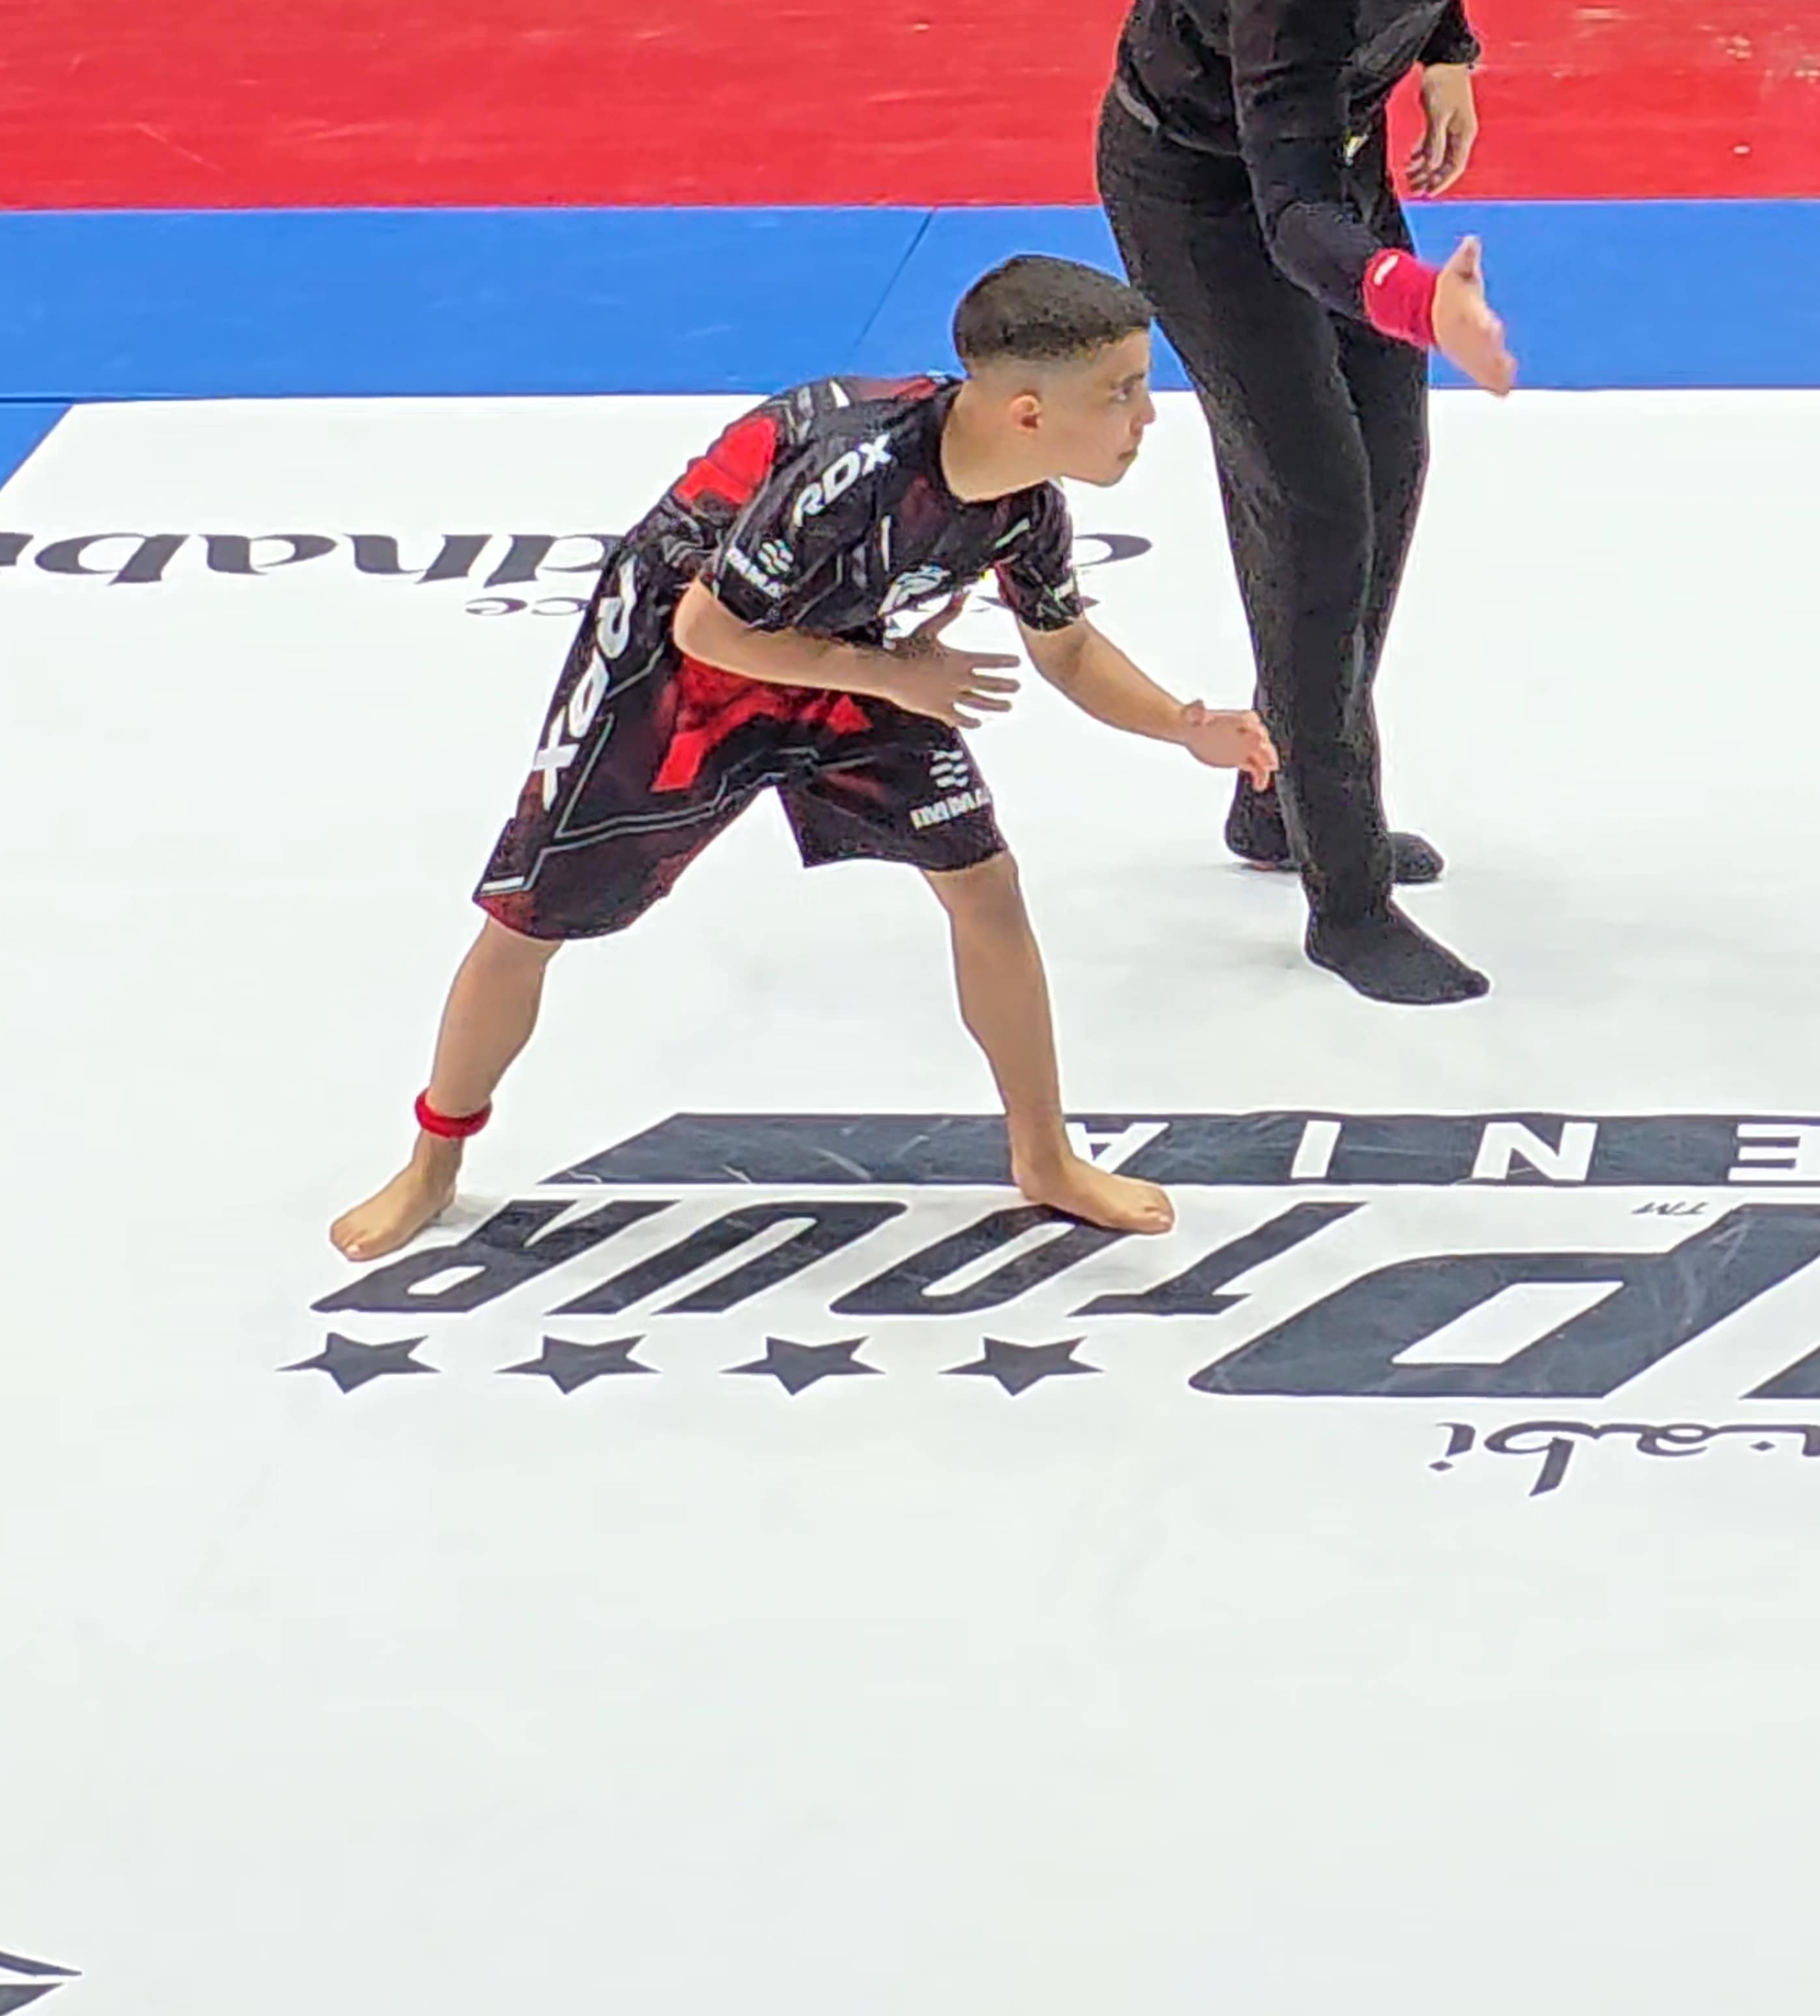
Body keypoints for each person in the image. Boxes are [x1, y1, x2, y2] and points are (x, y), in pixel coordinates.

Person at [329, 257, 1277, 1263]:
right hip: (675, 672)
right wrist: (891, 674)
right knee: (529, 919)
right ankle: (433, 1161)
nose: (1149, 417)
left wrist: (1184, 723)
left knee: (985, 887)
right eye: (1122, 393)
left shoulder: (1024, 506)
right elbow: (707, 629)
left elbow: (1069, 650)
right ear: (1029, 413)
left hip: (845, 657)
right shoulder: (853, 471)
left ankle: (1043, 1157)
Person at [1099, 0, 1551, 1007]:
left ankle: (1282, 789)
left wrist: (1448, 43)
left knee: (1388, 467)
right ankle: (1344, 903)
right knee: (1316, 510)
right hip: (1204, 184)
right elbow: (1291, 219)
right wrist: (1418, 303)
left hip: (1337, 147)